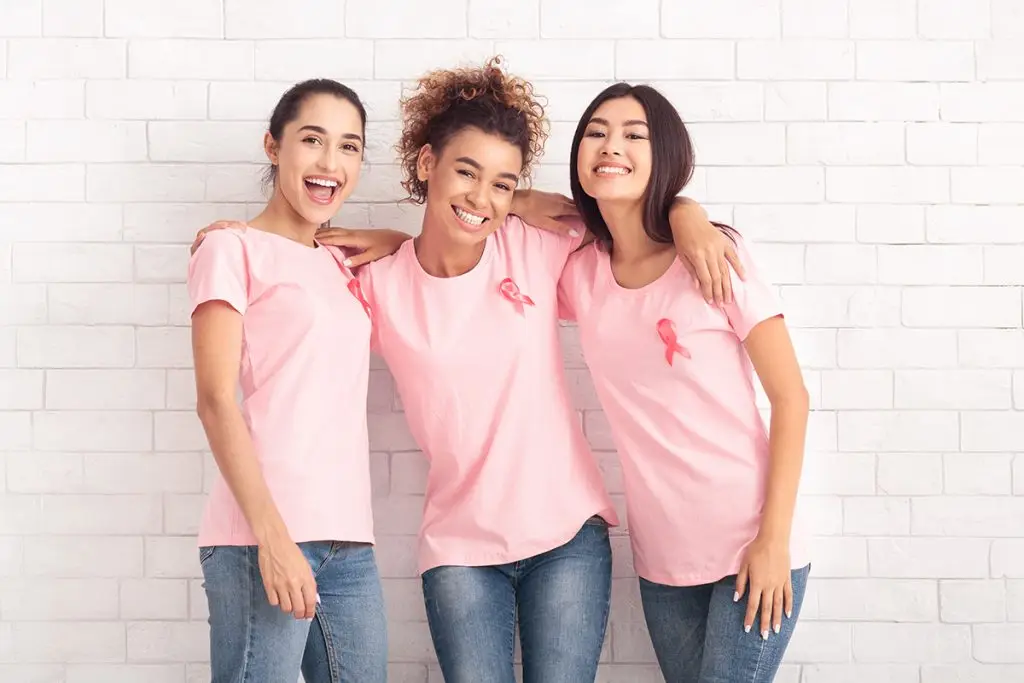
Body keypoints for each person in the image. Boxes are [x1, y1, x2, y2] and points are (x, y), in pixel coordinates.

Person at [189, 59, 743, 682]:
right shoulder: (371, 281)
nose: (482, 197)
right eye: (466, 172)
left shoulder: (534, 246)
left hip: (567, 537)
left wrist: (686, 211)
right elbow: (297, 280)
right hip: (458, 550)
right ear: (427, 165)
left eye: (502, 184)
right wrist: (248, 240)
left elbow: (622, 218)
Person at [556, 82, 811, 683]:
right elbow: (509, 204)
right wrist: (398, 245)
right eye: (595, 132)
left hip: (751, 541)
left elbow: (792, 398)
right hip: (663, 558)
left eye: (634, 135)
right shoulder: (581, 274)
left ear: (664, 153)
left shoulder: (715, 257)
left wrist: (773, 542)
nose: (610, 145)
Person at [187, 78, 406, 683]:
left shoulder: (343, 260)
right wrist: (273, 541)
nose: (330, 163)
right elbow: (213, 401)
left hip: (347, 539)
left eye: (350, 147)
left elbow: (440, 257)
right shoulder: (230, 249)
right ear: (273, 146)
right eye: (312, 140)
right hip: (262, 535)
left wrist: (395, 237)